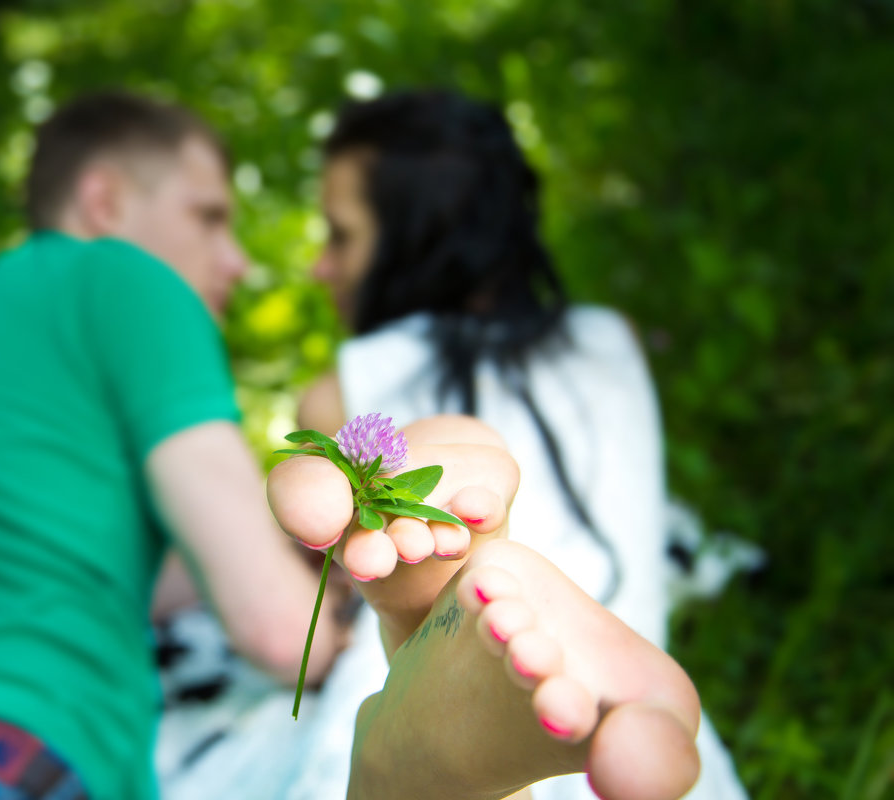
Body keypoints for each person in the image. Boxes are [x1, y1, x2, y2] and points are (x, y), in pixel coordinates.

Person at [0, 89, 703, 800]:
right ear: (104, 205)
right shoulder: (128, 281)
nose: (237, 262)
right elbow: (273, 625)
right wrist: (323, 585)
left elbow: (119, 565)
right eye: (209, 216)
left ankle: (418, 689)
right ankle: (421, 675)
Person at [300, 88, 747, 799]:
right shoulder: (612, 342)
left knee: (371, 678)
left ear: (417, 236)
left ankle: (441, 676)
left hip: (400, 693)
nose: (320, 266)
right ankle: (496, 662)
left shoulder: (344, 388)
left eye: (341, 234)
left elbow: (311, 614)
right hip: (624, 700)